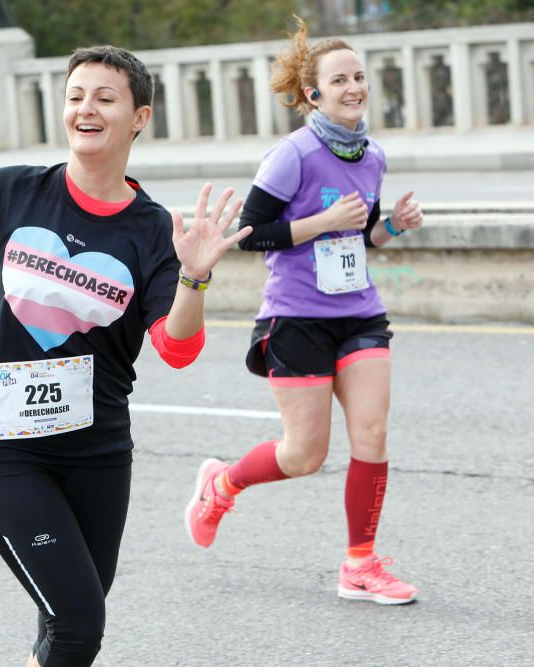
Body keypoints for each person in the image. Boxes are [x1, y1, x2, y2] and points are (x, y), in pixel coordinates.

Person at [0, 49, 250, 665]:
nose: (86, 109)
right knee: (78, 623)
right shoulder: (16, 192)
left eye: (105, 97)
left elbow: (178, 349)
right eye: (76, 95)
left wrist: (194, 278)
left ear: (139, 117)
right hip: (3, 448)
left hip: (97, 454)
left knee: (65, 625)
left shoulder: (154, 229)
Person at [184, 16, 424, 605]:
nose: (354, 87)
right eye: (339, 80)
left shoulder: (372, 157)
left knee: (372, 432)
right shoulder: (292, 155)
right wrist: (322, 222)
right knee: (304, 455)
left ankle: (360, 565)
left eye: (360, 77)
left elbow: (359, 235)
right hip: (295, 317)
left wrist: (392, 225)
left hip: (360, 313)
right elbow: (250, 232)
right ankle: (222, 482)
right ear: (313, 94)